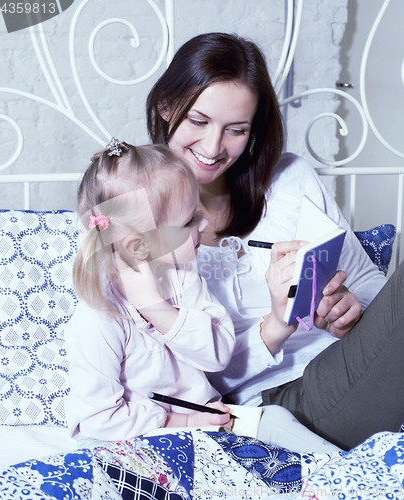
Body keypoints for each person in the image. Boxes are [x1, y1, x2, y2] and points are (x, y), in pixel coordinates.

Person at [146, 32, 404, 450]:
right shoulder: (133, 206)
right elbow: (171, 381)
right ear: (166, 105)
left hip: (355, 363)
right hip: (282, 408)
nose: (213, 147)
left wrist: (350, 313)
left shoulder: (290, 180)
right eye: (198, 120)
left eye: (236, 130)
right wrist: (275, 327)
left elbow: (373, 287)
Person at [65, 141, 236, 444]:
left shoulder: (183, 280)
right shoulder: (99, 318)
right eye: (189, 221)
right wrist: (182, 420)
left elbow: (218, 355)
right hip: (130, 439)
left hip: (201, 423)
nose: (205, 223)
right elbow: (100, 420)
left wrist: (157, 308)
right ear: (139, 247)